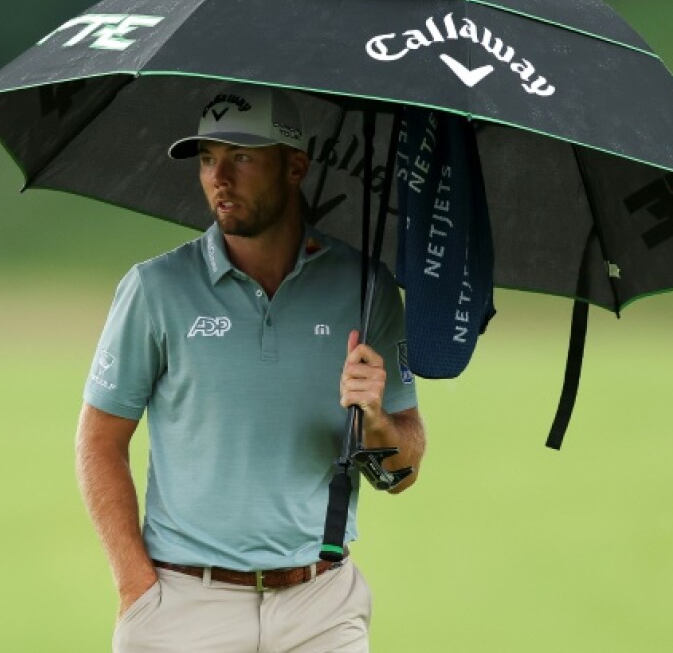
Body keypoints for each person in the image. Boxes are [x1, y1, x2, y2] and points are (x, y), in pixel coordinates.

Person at [76, 83, 426, 653]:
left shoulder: (366, 289)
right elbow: (98, 440)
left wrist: (378, 422)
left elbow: (402, 475)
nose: (219, 177)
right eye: (209, 159)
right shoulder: (155, 288)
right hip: (186, 604)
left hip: (321, 604)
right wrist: (134, 585)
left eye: (240, 157)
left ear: (294, 167)